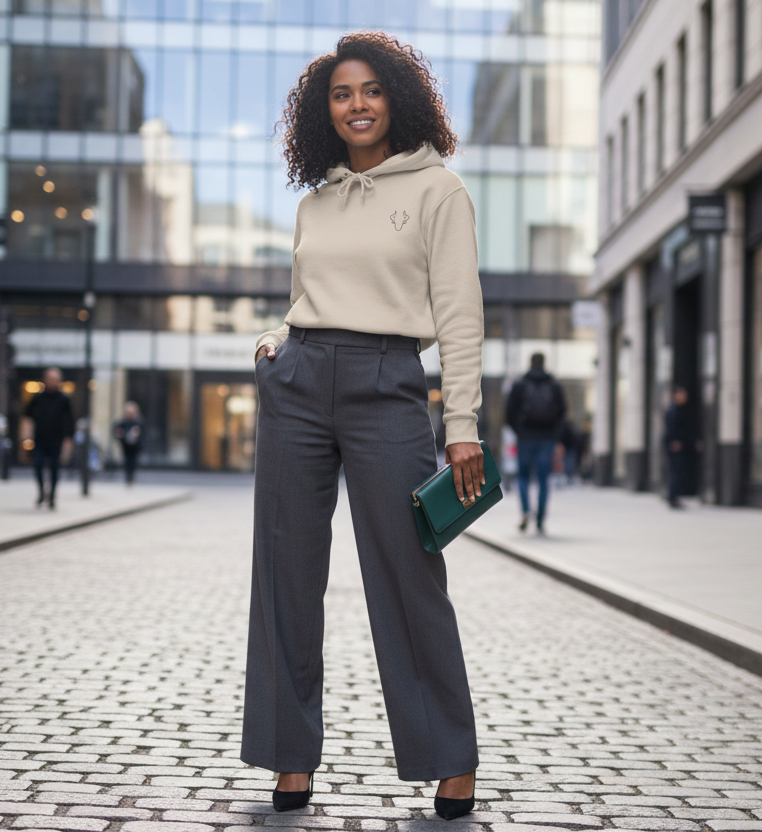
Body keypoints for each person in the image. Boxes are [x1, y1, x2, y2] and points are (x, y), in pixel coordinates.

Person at [244, 33, 482, 821]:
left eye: (372, 91)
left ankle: (450, 758)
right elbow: (305, 298)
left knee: (410, 574)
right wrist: (276, 341)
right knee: (284, 573)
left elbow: (458, 317)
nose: (357, 106)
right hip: (300, 380)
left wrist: (464, 425)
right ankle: (289, 758)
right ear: (325, 109)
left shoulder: (440, 190)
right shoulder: (317, 200)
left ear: (399, 99)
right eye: (342, 94)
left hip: (388, 384)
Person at [506, 353, 567, 534]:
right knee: (543, 480)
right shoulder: (554, 385)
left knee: (523, 477)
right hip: (547, 439)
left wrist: (520, 432)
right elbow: (562, 413)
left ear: (530, 363)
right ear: (544, 363)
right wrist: (554, 436)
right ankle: (540, 520)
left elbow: (509, 413)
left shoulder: (520, 385)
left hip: (525, 438)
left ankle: (526, 511)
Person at [23, 368, 74, 510]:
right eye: (50, 378)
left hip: (56, 439)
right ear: (45, 379)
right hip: (40, 438)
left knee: (54, 467)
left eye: (55, 379)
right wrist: (27, 434)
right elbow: (28, 416)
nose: (52, 382)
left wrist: (69, 439)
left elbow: (69, 420)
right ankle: (41, 492)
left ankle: (51, 496)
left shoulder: (64, 399)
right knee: (38, 464)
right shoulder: (38, 398)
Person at [663, 387, 698, 509]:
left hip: (680, 446)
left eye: (685, 395)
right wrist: (675, 441)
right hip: (675, 446)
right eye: (681, 395)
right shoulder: (674, 410)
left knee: (678, 472)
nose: (683, 397)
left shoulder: (679, 409)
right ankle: (673, 497)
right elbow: (671, 429)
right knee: (676, 472)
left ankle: (674, 496)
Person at [114, 401, 144, 486]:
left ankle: (132, 477)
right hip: (125, 445)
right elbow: (117, 432)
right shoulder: (122, 422)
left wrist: (138, 435)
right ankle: (127, 477)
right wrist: (120, 436)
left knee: (133, 461)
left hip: (135, 446)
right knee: (127, 460)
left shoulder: (138, 422)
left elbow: (143, 434)